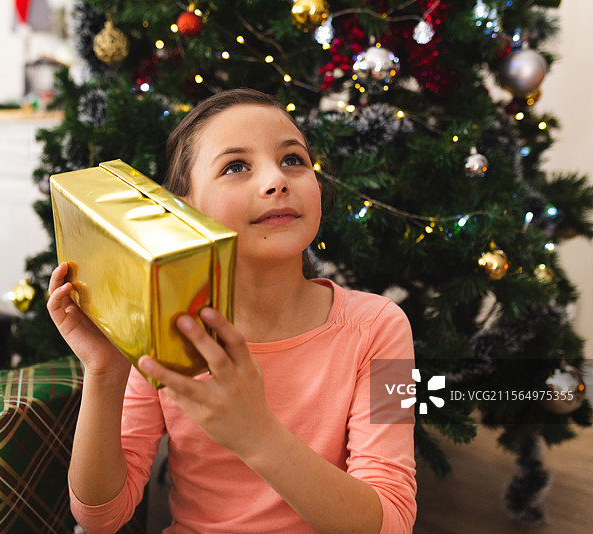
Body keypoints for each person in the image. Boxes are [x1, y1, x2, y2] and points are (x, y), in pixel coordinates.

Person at [48, 88, 416, 533]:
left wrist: (256, 434)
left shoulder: (384, 326)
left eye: (293, 160)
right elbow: (100, 515)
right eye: (236, 166)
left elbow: (393, 523)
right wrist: (105, 372)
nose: (276, 180)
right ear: (180, 211)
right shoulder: (167, 332)